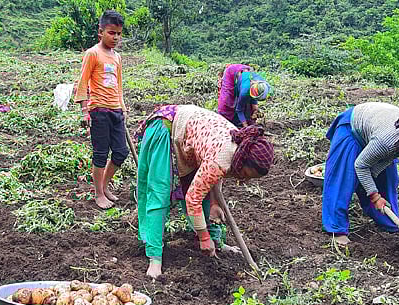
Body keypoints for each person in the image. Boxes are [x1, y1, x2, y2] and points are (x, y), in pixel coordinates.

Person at [135, 105, 275, 279]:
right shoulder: (223, 157)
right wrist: (203, 237)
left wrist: (216, 203)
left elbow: (212, 180)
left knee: (207, 198)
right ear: (242, 161)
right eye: (247, 175)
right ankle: (154, 257)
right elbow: (193, 198)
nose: (246, 180)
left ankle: (216, 242)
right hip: (167, 128)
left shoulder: (240, 146)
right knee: (160, 193)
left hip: (192, 141)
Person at [322, 102, 399, 246]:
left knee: (388, 180)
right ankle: (337, 229)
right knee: (343, 179)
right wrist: (374, 196)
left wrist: (370, 186)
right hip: (352, 129)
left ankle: (389, 221)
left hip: (377, 130)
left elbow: (375, 169)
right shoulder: (387, 142)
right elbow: (361, 165)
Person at [74, 9, 129, 209]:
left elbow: (119, 85)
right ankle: (98, 193)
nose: (115, 37)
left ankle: (104, 186)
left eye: (118, 34)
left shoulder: (117, 58)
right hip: (99, 111)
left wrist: (122, 108)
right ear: (101, 32)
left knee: (121, 152)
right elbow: (82, 82)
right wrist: (84, 110)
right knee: (100, 154)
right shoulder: (92, 54)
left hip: (115, 110)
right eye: (111, 33)